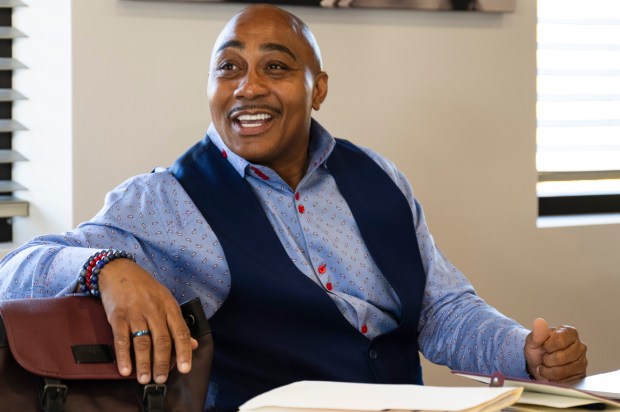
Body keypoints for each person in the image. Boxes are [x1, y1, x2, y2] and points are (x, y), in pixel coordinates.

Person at [0, 4, 587, 411]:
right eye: (228, 67)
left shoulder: (380, 178)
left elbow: (442, 311)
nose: (247, 87)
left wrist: (525, 353)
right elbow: (16, 272)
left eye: (275, 67)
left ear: (318, 87)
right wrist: (107, 269)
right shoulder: (165, 200)